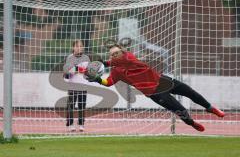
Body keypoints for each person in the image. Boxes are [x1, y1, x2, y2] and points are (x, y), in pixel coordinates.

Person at [85, 43, 225, 132]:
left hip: (162, 80)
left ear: (122, 52)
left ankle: (210, 108)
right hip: (155, 93)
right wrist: (97, 78)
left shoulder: (129, 57)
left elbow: (118, 61)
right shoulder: (116, 71)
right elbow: (108, 82)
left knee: (190, 92)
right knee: (180, 110)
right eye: (112, 54)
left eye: (117, 53)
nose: (115, 55)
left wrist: (102, 63)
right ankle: (192, 123)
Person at [63, 40, 90, 131]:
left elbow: (88, 71)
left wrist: (80, 69)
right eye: (77, 46)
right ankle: (70, 124)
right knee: (71, 105)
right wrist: (74, 69)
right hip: (72, 86)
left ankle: (81, 124)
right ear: (73, 47)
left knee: (82, 105)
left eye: (81, 46)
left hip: (83, 85)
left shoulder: (86, 58)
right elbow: (67, 72)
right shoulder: (69, 58)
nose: (79, 48)